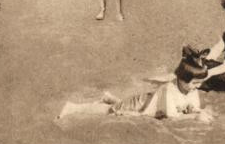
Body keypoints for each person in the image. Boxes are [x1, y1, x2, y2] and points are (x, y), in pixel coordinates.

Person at [57, 46, 214, 122]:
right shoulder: (169, 89)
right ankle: (73, 107)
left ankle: (109, 98)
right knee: (109, 111)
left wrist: (196, 110)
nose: (198, 87)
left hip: (149, 105)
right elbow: (172, 118)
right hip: (139, 104)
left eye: (200, 83)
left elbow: (191, 106)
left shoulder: (192, 89)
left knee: (120, 106)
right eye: (195, 83)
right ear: (181, 79)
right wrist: (195, 116)